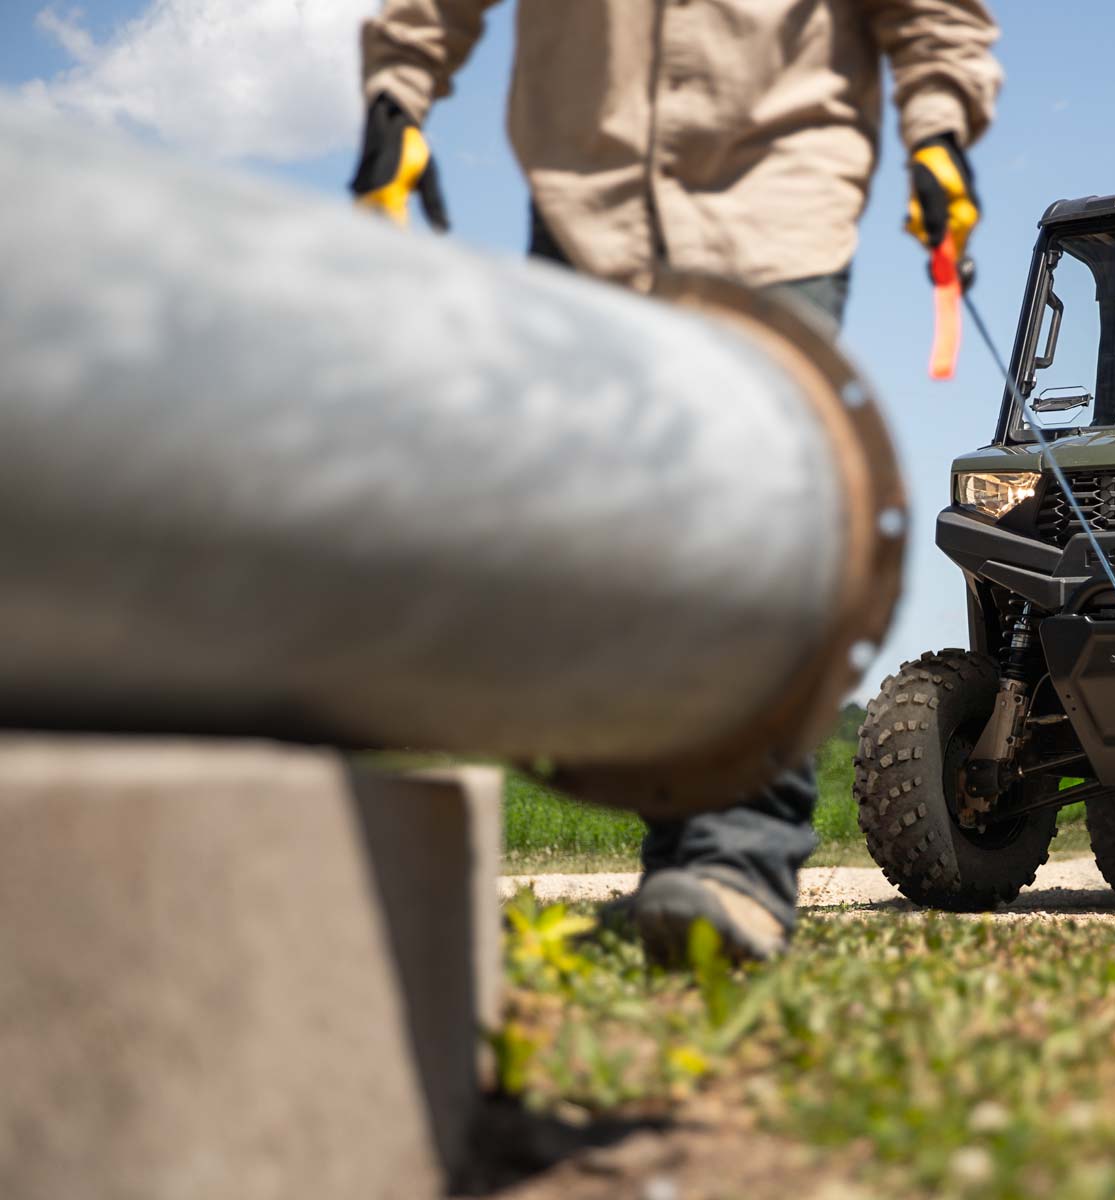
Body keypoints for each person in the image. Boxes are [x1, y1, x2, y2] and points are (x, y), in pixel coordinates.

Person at [351, 0, 1000, 965]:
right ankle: (679, 857)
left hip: (775, 197)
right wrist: (397, 90)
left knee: (758, 522)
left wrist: (939, 127)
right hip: (588, 198)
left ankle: (740, 857)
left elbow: (934, 15)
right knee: (617, 543)